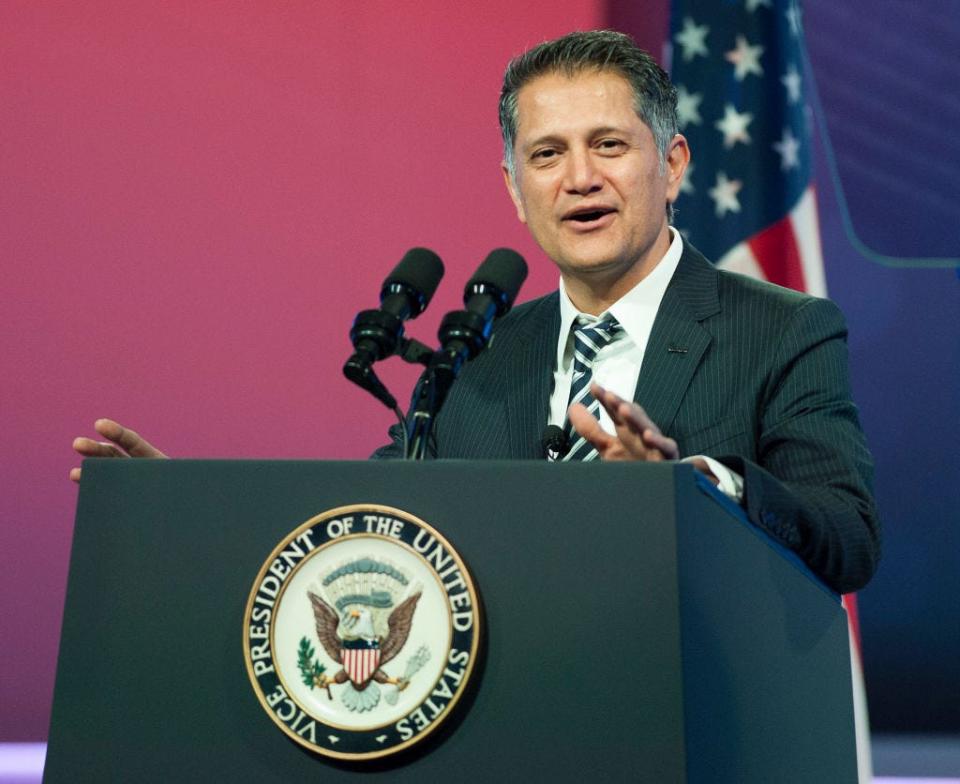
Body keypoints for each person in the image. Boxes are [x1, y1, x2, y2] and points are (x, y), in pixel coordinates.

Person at [71, 30, 880, 594]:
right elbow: (358, 529)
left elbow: (847, 538)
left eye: (608, 145)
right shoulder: (475, 357)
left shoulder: (783, 330)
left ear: (671, 166)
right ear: (514, 191)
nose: (579, 178)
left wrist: (691, 489)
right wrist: (177, 510)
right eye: (547, 154)